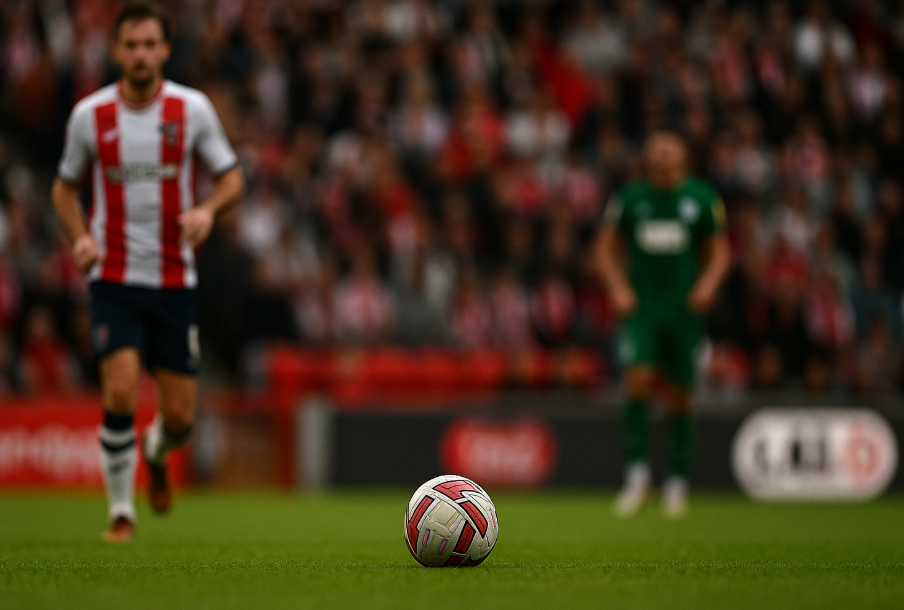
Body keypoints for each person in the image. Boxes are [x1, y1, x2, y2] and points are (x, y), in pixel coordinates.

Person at [51, 1, 244, 541]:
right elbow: (63, 188)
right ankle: (120, 512)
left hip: (173, 281)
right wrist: (81, 238)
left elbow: (232, 178)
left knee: (180, 419)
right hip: (112, 277)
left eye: (148, 44)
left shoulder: (193, 109)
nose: (139, 54)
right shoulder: (91, 116)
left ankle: (156, 455)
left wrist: (207, 210)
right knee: (119, 390)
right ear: (115, 50)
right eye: (130, 44)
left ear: (164, 49)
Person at [596, 128, 731, 518]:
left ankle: (677, 481)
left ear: (683, 155)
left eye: (670, 149)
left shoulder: (702, 199)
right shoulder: (630, 199)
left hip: (684, 312)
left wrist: (707, 285)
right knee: (637, 379)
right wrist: (618, 288)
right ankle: (637, 479)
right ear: (648, 156)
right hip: (642, 312)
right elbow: (604, 250)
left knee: (680, 394)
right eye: (656, 149)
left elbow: (720, 253)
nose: (662, 155)